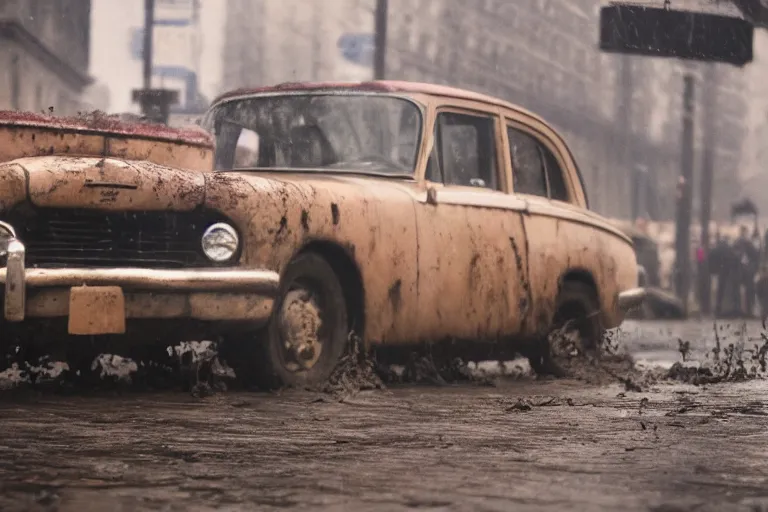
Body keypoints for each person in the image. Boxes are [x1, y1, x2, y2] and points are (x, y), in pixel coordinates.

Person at [733, 225, 759, 317]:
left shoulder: (737, 243)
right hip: (747, 271)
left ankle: (741, 310)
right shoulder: (748, 243)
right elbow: (755, 255)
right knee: (749, 291)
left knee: (740, 291)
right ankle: (749, 311)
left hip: (740, 271)